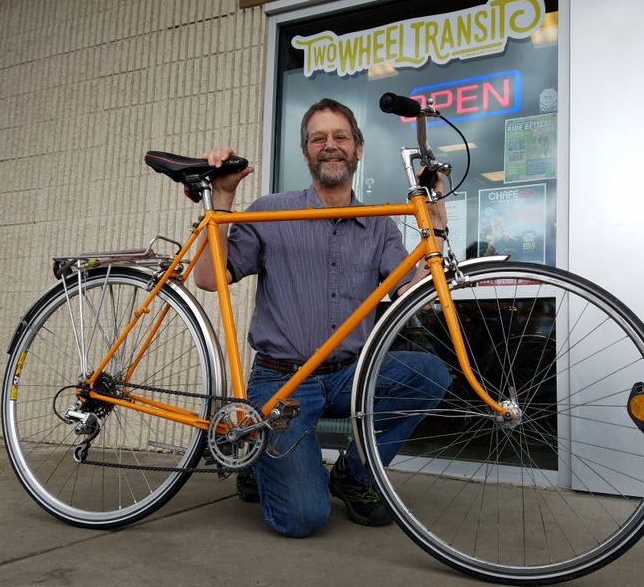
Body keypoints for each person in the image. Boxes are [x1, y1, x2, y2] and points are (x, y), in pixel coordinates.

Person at [194, 98, 452, 537]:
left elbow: (420, 290)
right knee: (303, 519)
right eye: (318, 138)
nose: (330, 146)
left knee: (427, 372)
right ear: (306, 153)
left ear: (358, 149)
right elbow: (206, 278)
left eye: (340, 137)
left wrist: (437, 208)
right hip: (281, 381)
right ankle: (260, 458)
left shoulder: (379, 225)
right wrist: (222, 196)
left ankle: (354, 475)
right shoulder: (271, 211)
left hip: (350, 374)